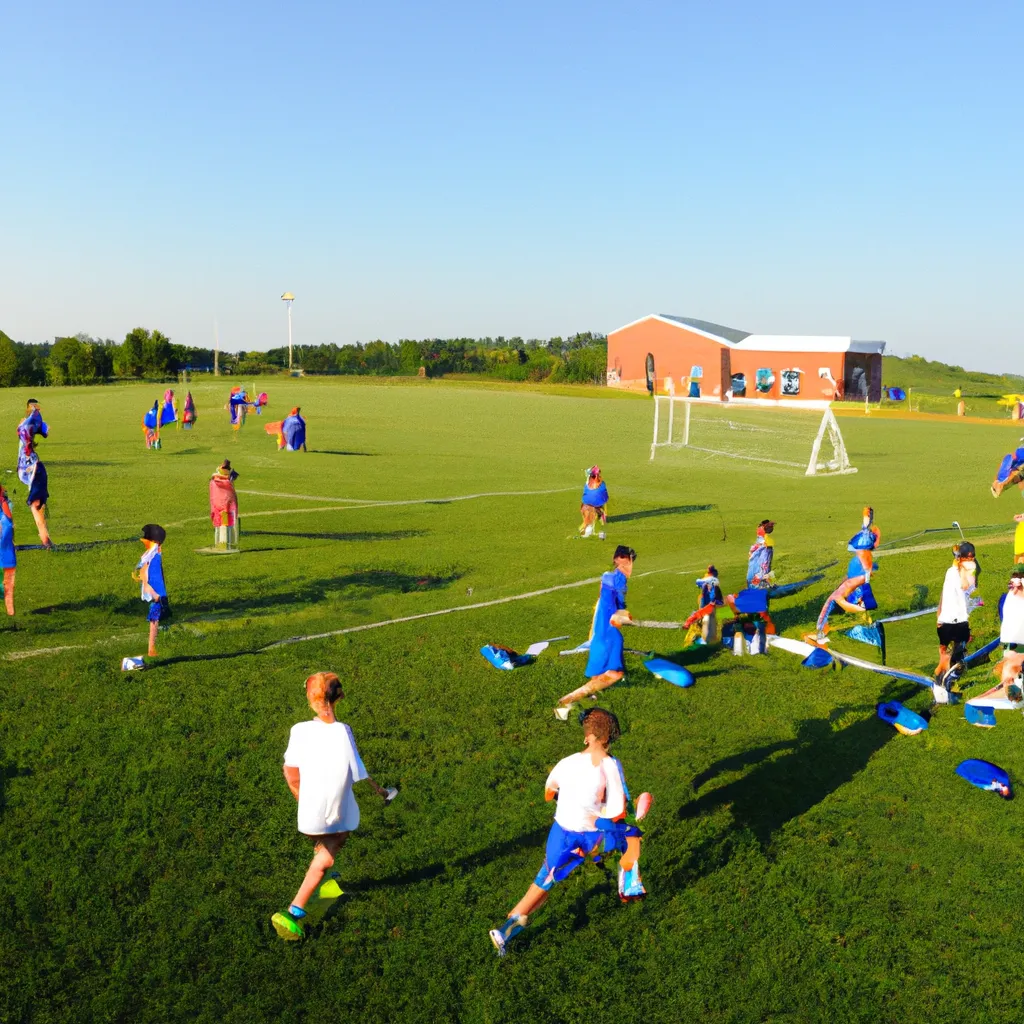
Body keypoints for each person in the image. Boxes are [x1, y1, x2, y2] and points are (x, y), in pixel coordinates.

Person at [488, 708, 645, 957]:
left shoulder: (568, 762)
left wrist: (570, 797)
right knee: (630, 838)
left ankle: (508, 930)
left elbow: (549, 792)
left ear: (587, 737)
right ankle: (628, 884)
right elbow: (615, 809)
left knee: (545, 882)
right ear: (608, 738)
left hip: (561, 834)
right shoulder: (611, 765)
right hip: (588, 835)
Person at [272, 672, 397, 940]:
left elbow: (290, 772)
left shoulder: (299, 730)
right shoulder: (343, 731)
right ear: (338, 697)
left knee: (325, 844)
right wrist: (382, 792)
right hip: (337, 815)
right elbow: (358, 772)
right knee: (328, 855)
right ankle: (295, 910)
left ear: (310, 699)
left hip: (306, 815)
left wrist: (302, 798)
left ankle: (320, 868)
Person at [556, 546, 636, 717]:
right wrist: (623, 615)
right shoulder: (619, 580)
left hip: (602, 624)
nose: (630, 567)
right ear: (618, 561)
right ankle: (567, 700)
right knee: (615, 673)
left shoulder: (608, 577)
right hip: (609, 629)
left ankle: (582, 702)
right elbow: (616, 607)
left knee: (601, 673)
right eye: (627, 563)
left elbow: (604, 599)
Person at [813, 507, 880, 641]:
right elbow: (846, 604)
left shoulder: (838, 595)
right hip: (858, 579)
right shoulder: (841, 593)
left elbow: (846, 604)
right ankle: (868, 622)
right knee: (864, 539)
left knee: (864, 539)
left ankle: (867, 623)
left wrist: (858, 609)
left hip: (858, 579)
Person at [934, 541, 978, 687]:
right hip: (959, 620)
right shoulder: (969, 569)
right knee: (958, 654)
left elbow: (943, 594)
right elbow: (969, 588)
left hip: (945, 620)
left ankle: (940, 680)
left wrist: (939, 613)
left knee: (945, 654)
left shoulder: (950, 571)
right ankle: (951, 681)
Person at [17, 399, 52, 548]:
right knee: (37, 502)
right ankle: (45, 540)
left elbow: (44, 431)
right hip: (28, 466)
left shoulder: (29, 424)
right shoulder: (25, 425)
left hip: (27, 466)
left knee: (38, 502)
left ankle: (45, 538)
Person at [133, 524, 170, 658]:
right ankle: (153, 649)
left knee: (156, 621)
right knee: (156, 621)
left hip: (156, 595)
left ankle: (154, 648)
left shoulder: (154, 555)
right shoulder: (152, 555)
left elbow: (153, 576)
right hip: (157, 595)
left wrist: (154, 592)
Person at [683, 565, 724, 645]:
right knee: (710, 618)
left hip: (707, 604)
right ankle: (711, 638)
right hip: (713, 604)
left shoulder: (706, 580)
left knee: (703, 616)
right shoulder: (716, 581)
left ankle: (703, 638)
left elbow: (697, 581)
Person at [208, 460, 239, 550]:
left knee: (222, 525)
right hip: (224, 507)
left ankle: (223, 544)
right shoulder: (223, 481)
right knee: (224, 525)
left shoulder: (215, 480)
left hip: (220, 507)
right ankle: (225, 545)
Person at [579, 466, 608, 539]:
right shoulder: (602, 482)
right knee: (600, 503)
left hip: (587, 501)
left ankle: (588, 523)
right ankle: (600, 515)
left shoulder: (588, 481)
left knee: (587, 503)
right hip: (598, 501)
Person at [1, 484, 15, 618]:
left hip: (6, 554)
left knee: (8, 585)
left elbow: (9, 518)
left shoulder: (6, 505)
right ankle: (10, 610)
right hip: (6, 555)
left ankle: (10, 611)